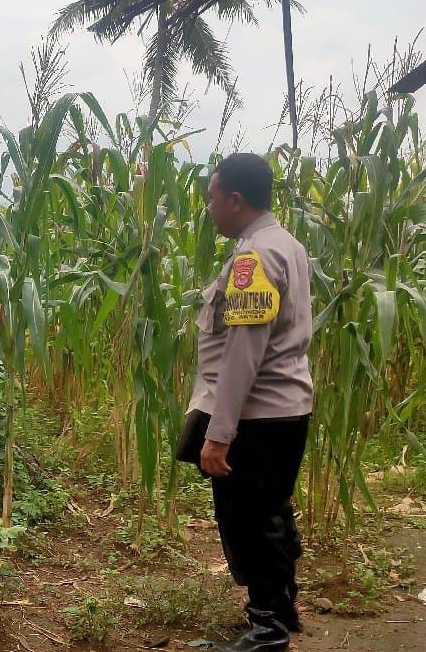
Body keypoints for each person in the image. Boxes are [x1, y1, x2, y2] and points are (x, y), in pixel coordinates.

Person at [188, 153, 313, 652]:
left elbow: (242, 354)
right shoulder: (287, 244)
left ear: (235, 200)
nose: (209, 208)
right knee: (271, 512)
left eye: (212, 199)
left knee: (247, 522)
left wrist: (219, 435)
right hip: (287, 411)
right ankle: (281, 608)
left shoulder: (253, 259)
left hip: (257, 417)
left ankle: (267, 630)